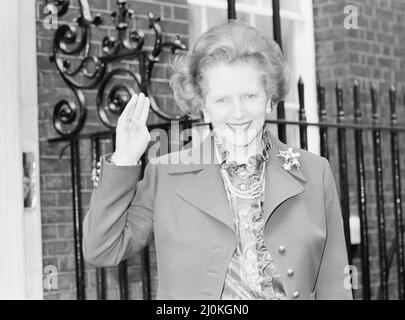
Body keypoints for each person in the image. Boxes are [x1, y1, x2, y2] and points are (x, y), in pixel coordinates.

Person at [83, 20, 353, 300]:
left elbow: (334, 282)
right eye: (222, 100)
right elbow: (102, 249)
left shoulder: (314, 171)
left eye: (249, 95)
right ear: (203, 109)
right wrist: (125, 159)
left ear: (269, 100)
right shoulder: (164, 175)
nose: (238, 113)